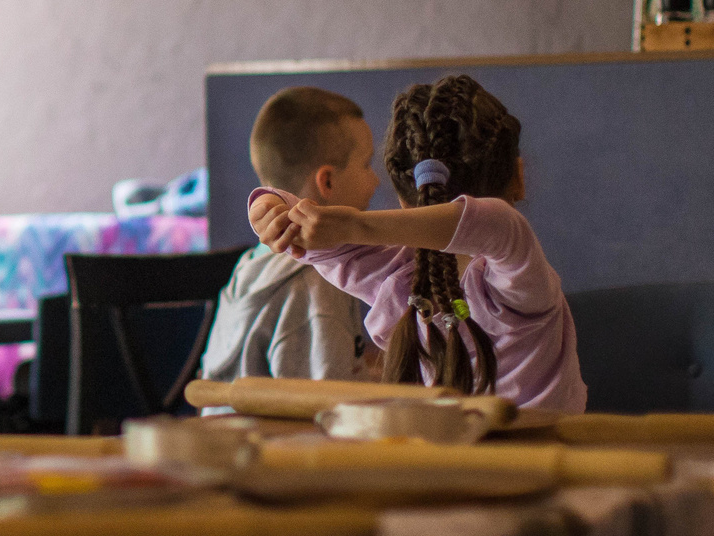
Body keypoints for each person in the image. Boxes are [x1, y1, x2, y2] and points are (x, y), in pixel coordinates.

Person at [250, 73, 586, 412]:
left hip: (453, 462)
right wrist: (277, 209)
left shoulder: (394, 280)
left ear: (404, 202)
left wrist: (268, 205)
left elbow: (495, 222)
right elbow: (500, 225)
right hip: (533, 462)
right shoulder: (522, 280)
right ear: (519, 177)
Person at [197, 86, 382, 389]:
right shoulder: (318, 281)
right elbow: (325, 404)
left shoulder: (251, 262)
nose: (375, 179)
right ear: (328, 181)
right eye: (366, 164)